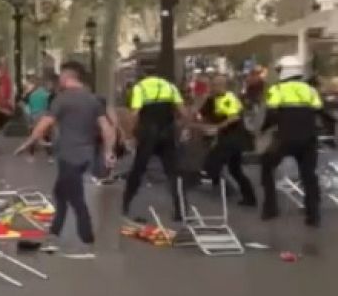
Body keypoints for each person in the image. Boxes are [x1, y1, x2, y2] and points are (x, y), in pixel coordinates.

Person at [16, 62, 115, 257]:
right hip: (87, 155)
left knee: (75, 198)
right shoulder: (93, 100)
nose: (58, 80)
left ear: (68, 77)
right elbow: (107, 128)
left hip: (69, 155)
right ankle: (53, 235)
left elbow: (44, 124)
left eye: (61, 77)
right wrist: (108, 152)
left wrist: (28, 143)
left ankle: (87, 240)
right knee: (61, 194)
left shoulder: (62, 99)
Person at [260, 55, 332, 226]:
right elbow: (321, 112)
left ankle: (270, 208)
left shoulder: (277, 90)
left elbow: (271, 113)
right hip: (308, 139)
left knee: (267, 166)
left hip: (285, 138)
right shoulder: (310, 90)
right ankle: (313, 215)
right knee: (309, 176)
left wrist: (263, 129)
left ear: (284, 71)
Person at [122, 58, 187, 221]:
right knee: (173, 171)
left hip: (148, 133)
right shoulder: (170, 87)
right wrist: (181, 127)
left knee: (138, 170)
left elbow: (134, 115)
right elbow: (184, 112)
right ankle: (181, 209)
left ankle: (124, 204)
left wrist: (129, 135)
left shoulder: (140, 88)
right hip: (167, 132)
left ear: (143, 72)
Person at [198, 74, 257, 206]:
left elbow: (234, 117)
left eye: (217, 85)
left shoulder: (228, 98)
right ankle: (249, 198)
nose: (214, 87)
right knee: (235, 170)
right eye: (213, 85)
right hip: (228, 139)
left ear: (224, 86)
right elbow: (202, 113)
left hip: (233, 139)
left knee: (211, 164)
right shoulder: (214, 99)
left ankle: (226, 188)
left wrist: (217, 128)